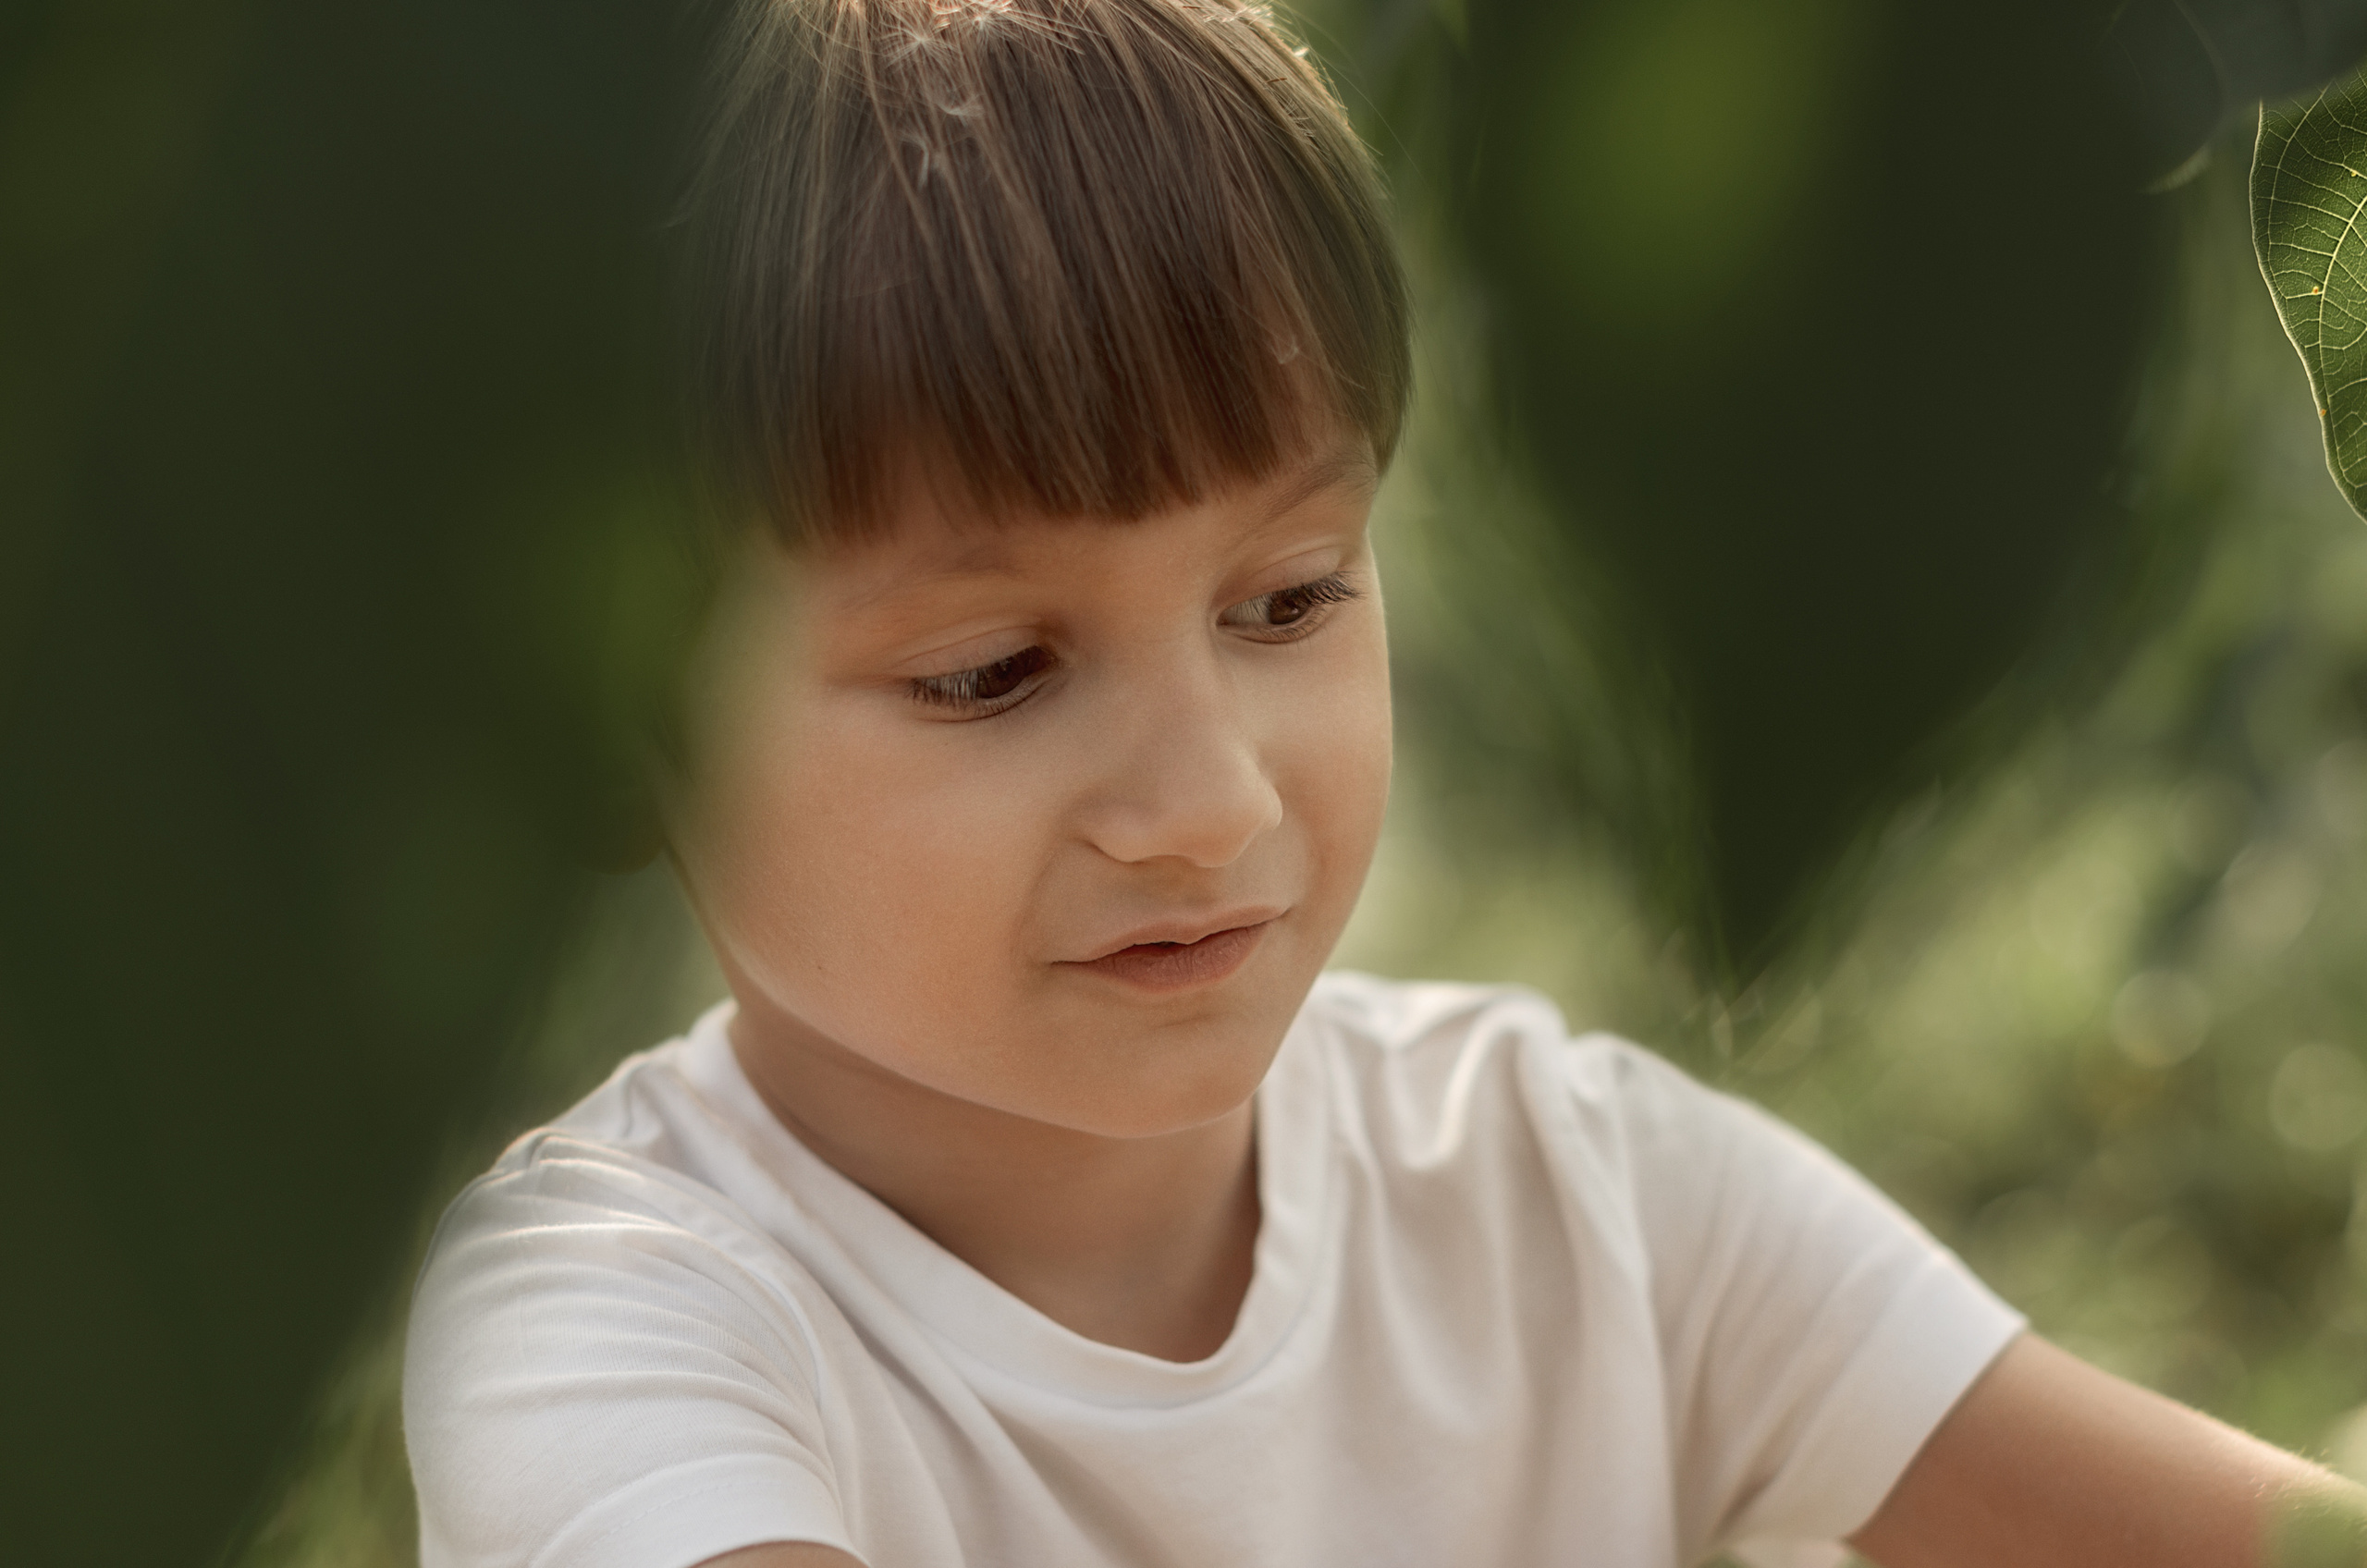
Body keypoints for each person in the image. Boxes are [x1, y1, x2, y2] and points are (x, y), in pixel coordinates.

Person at [399, 1, 2367, 1564]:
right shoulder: (612, 1331)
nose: (1206, 799)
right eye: (991, 669)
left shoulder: (1568, 1196)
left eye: (1284, 597)